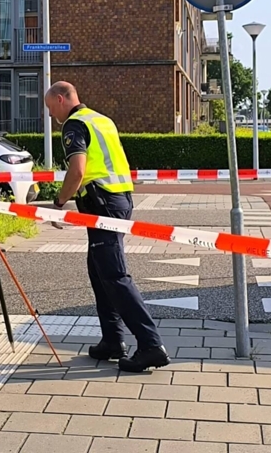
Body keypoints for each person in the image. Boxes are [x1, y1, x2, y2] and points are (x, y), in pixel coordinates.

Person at [44, 81, 169, 373]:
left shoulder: (74, 125)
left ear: (61, 99)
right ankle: (112, 341)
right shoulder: (101, 120)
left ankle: (151, 345)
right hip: (118, 199)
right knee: (99, 272)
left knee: (113, 275)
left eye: (51, 108)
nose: (51, 115)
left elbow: (78, 170)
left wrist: (59, 203)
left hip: (104, 205)